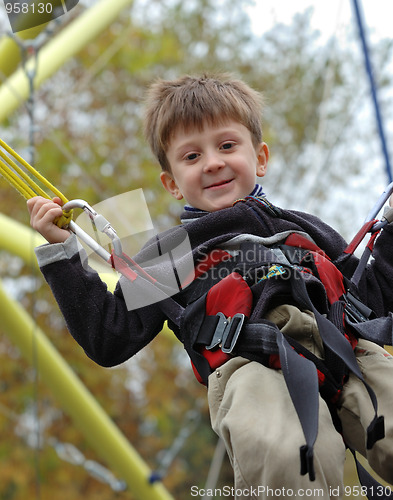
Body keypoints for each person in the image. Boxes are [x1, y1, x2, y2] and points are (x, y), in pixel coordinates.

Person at [27, 74, 393, 499]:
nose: (213, 163)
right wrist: (64, 254)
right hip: (253, 366)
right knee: (284, 455)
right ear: (172, 182)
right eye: (191, 156)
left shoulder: (303, 228)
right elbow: (109, 336)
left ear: (260, 159)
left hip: (349, 353)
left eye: (226, 146)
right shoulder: (171, 253)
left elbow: (371, 301)